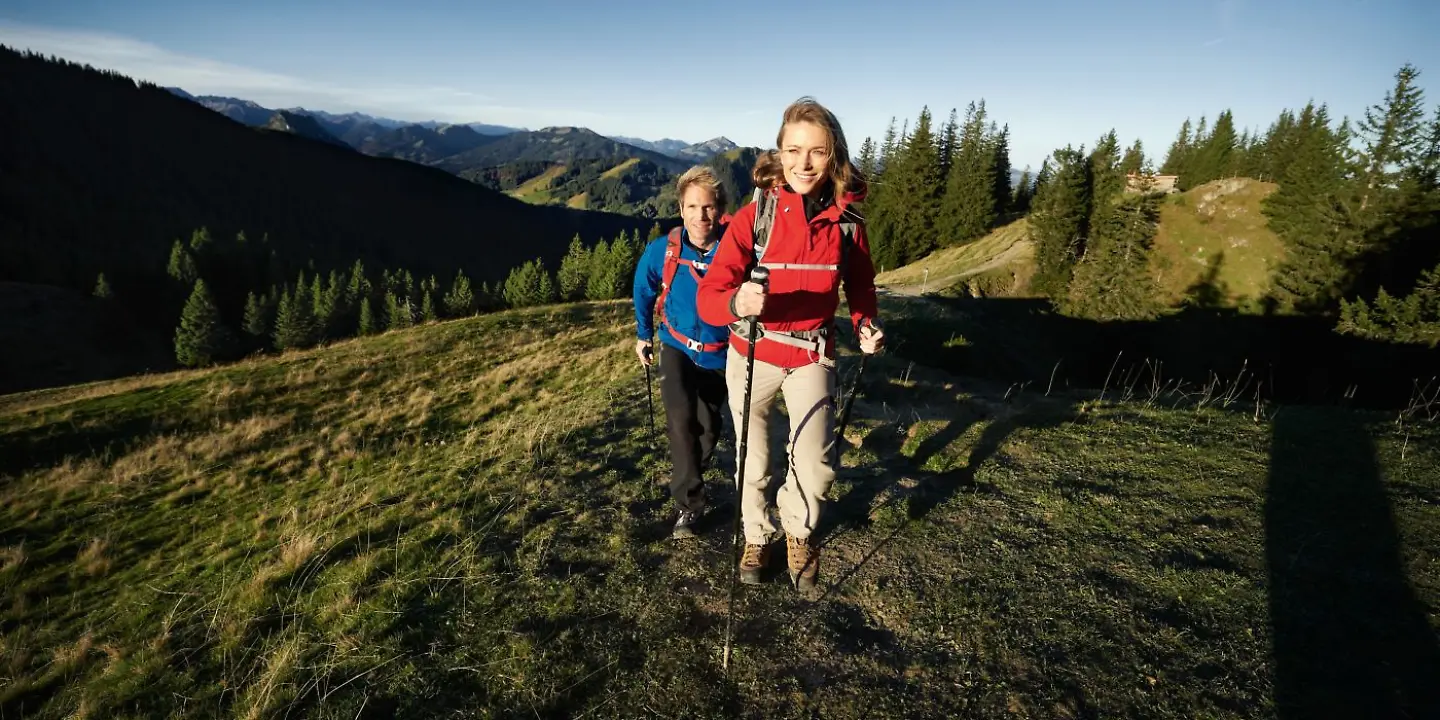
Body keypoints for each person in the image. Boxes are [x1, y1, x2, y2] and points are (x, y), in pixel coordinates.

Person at [696, 96, 885, 591]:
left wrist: (866, 323)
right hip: (754, 348)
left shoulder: (847, 223)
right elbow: (709, 298)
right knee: (752, 458)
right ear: (779, 152)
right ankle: (757, 534)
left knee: (817, 462)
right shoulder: (754, 216)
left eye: (817, 152)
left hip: (812, 352)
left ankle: (799, 531)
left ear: (833, 155)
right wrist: (738, 302)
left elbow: (861, 283)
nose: (804, 163)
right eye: (794, 150)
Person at [633, 165, 734, 538]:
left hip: (719, 355)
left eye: (708, 207)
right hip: (675, 346)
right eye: (692, 206)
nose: (700, 215)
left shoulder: (736, 249)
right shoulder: (664, 250)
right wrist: (644, 335)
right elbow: (643, 289)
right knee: (680, 423)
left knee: (707, 431)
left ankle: (689, 471)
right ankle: (689, 504)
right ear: (680, 208)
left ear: (720, 209)